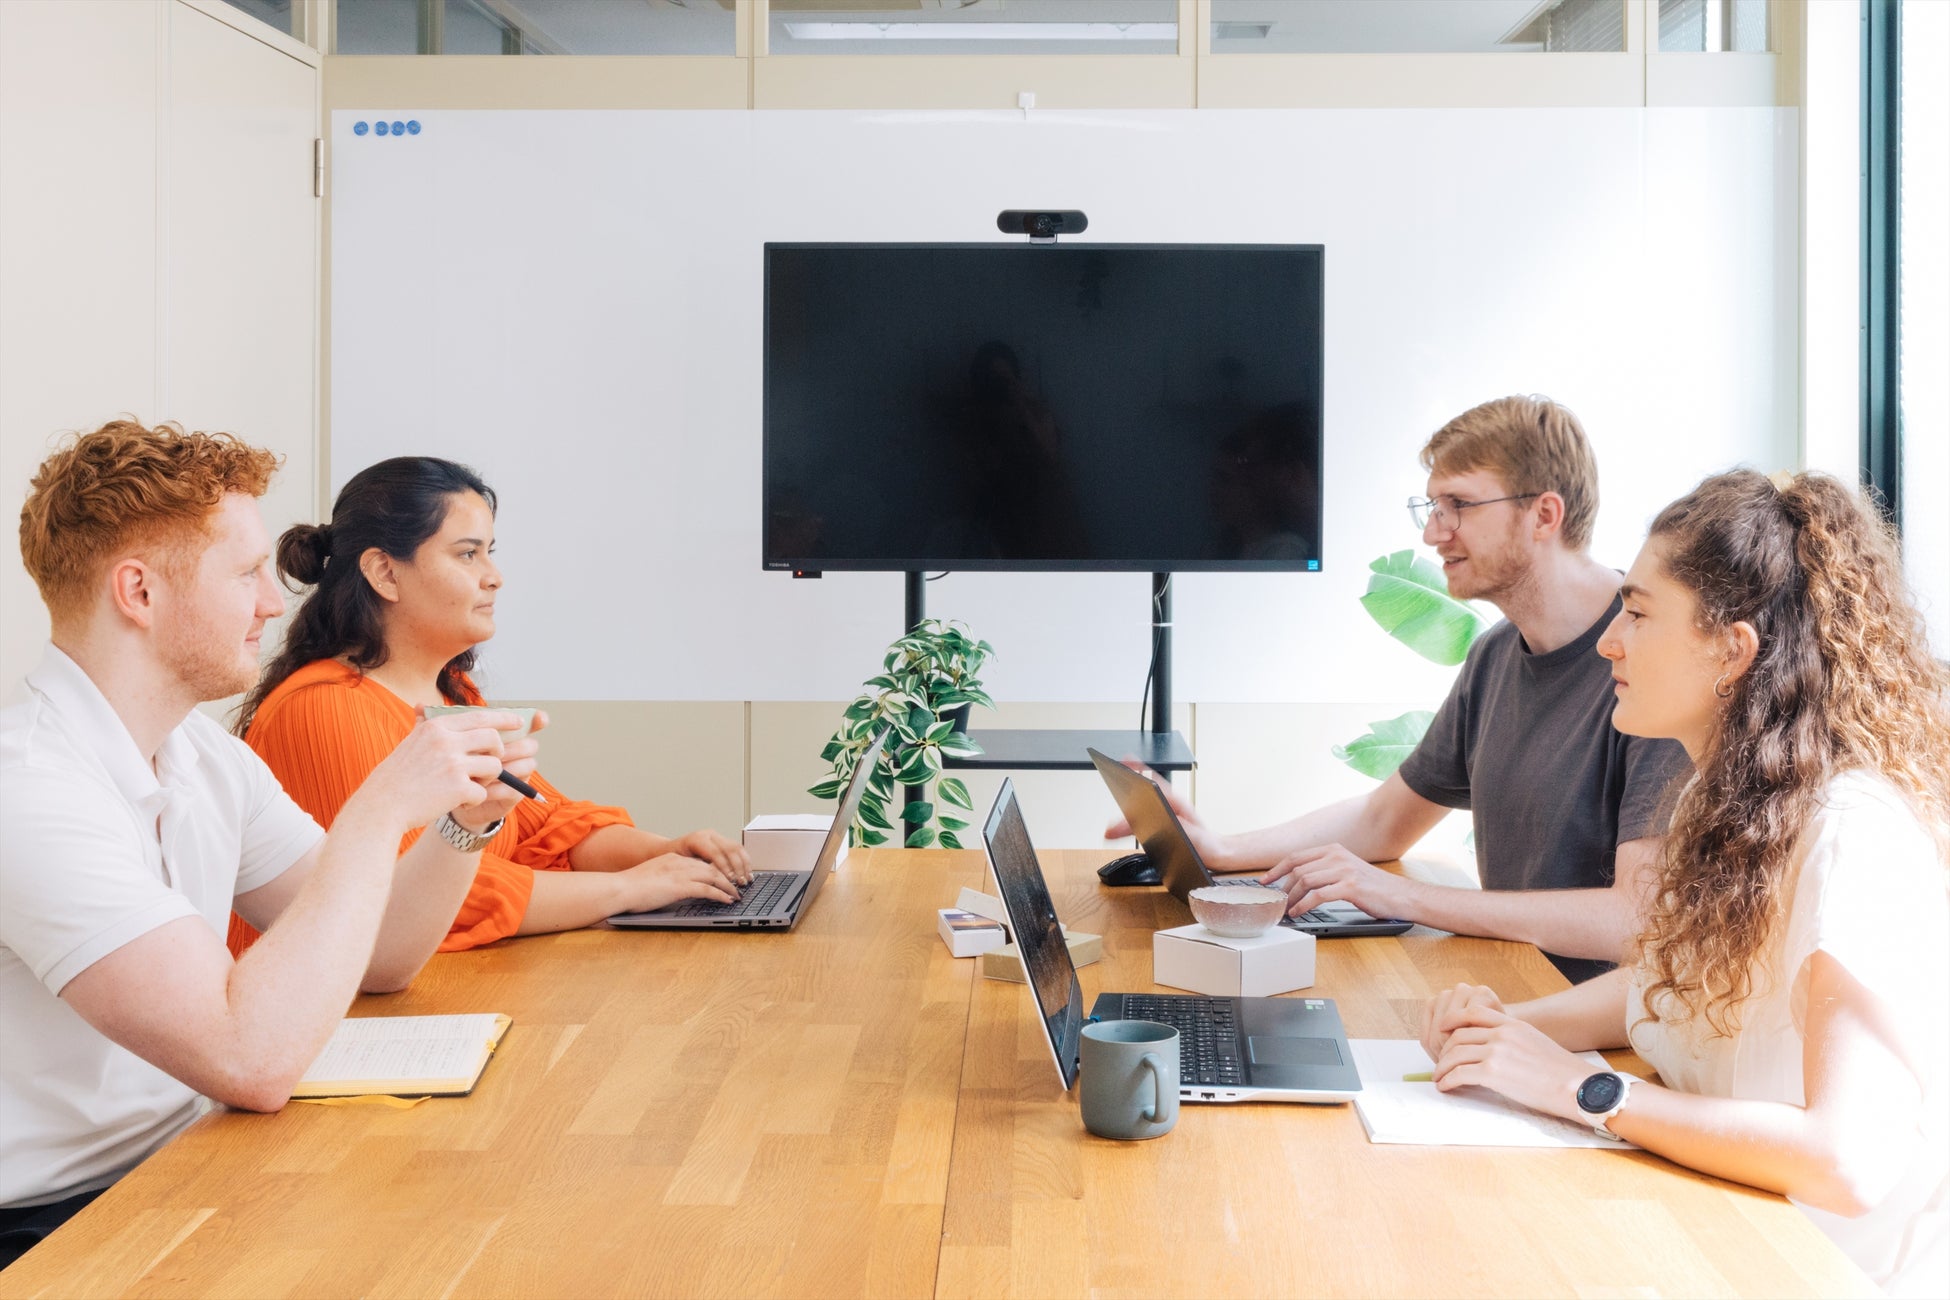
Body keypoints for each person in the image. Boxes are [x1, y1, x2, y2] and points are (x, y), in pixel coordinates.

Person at [0, 422, 533, 1266]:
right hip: (50, 1227)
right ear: (138, 593)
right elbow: (247, 1058)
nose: (272, 603)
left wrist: (465, 820)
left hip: (188, 1158)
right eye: (244, 574)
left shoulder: (202, 755)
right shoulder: (30, 790)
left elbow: (382, 956)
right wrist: (378, 808)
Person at [1418, 469, 1948, 1295]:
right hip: (1727, 1232)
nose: (1608, 643)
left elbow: (1848, 1162)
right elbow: (1675, 981)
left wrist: (1579, 1085)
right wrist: (1506, 1030)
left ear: (1732, 650)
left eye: (1637, 613)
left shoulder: (1848, 832)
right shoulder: (1723, 797)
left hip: (1827, 1271)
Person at [1111, 395, 1693, 981]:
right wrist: (1222, 850)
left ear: (1544, 515)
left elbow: (1635, 919)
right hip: (1512, 990)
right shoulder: (1495, 656)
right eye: (1433, 507)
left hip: (1597, 1025)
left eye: (1458, 505)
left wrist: (1402, 896)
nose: (1434, 533)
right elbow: (1385, 819)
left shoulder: (1652, 667)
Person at [227, 456, 749, 956]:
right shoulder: (321, 709)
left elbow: (545, 826)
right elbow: (420, 896)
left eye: (489, 552)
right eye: (467, 554)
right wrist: (630, 889)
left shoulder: (452, 693)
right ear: (385, 573)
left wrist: (665, 853)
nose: (494, 576)